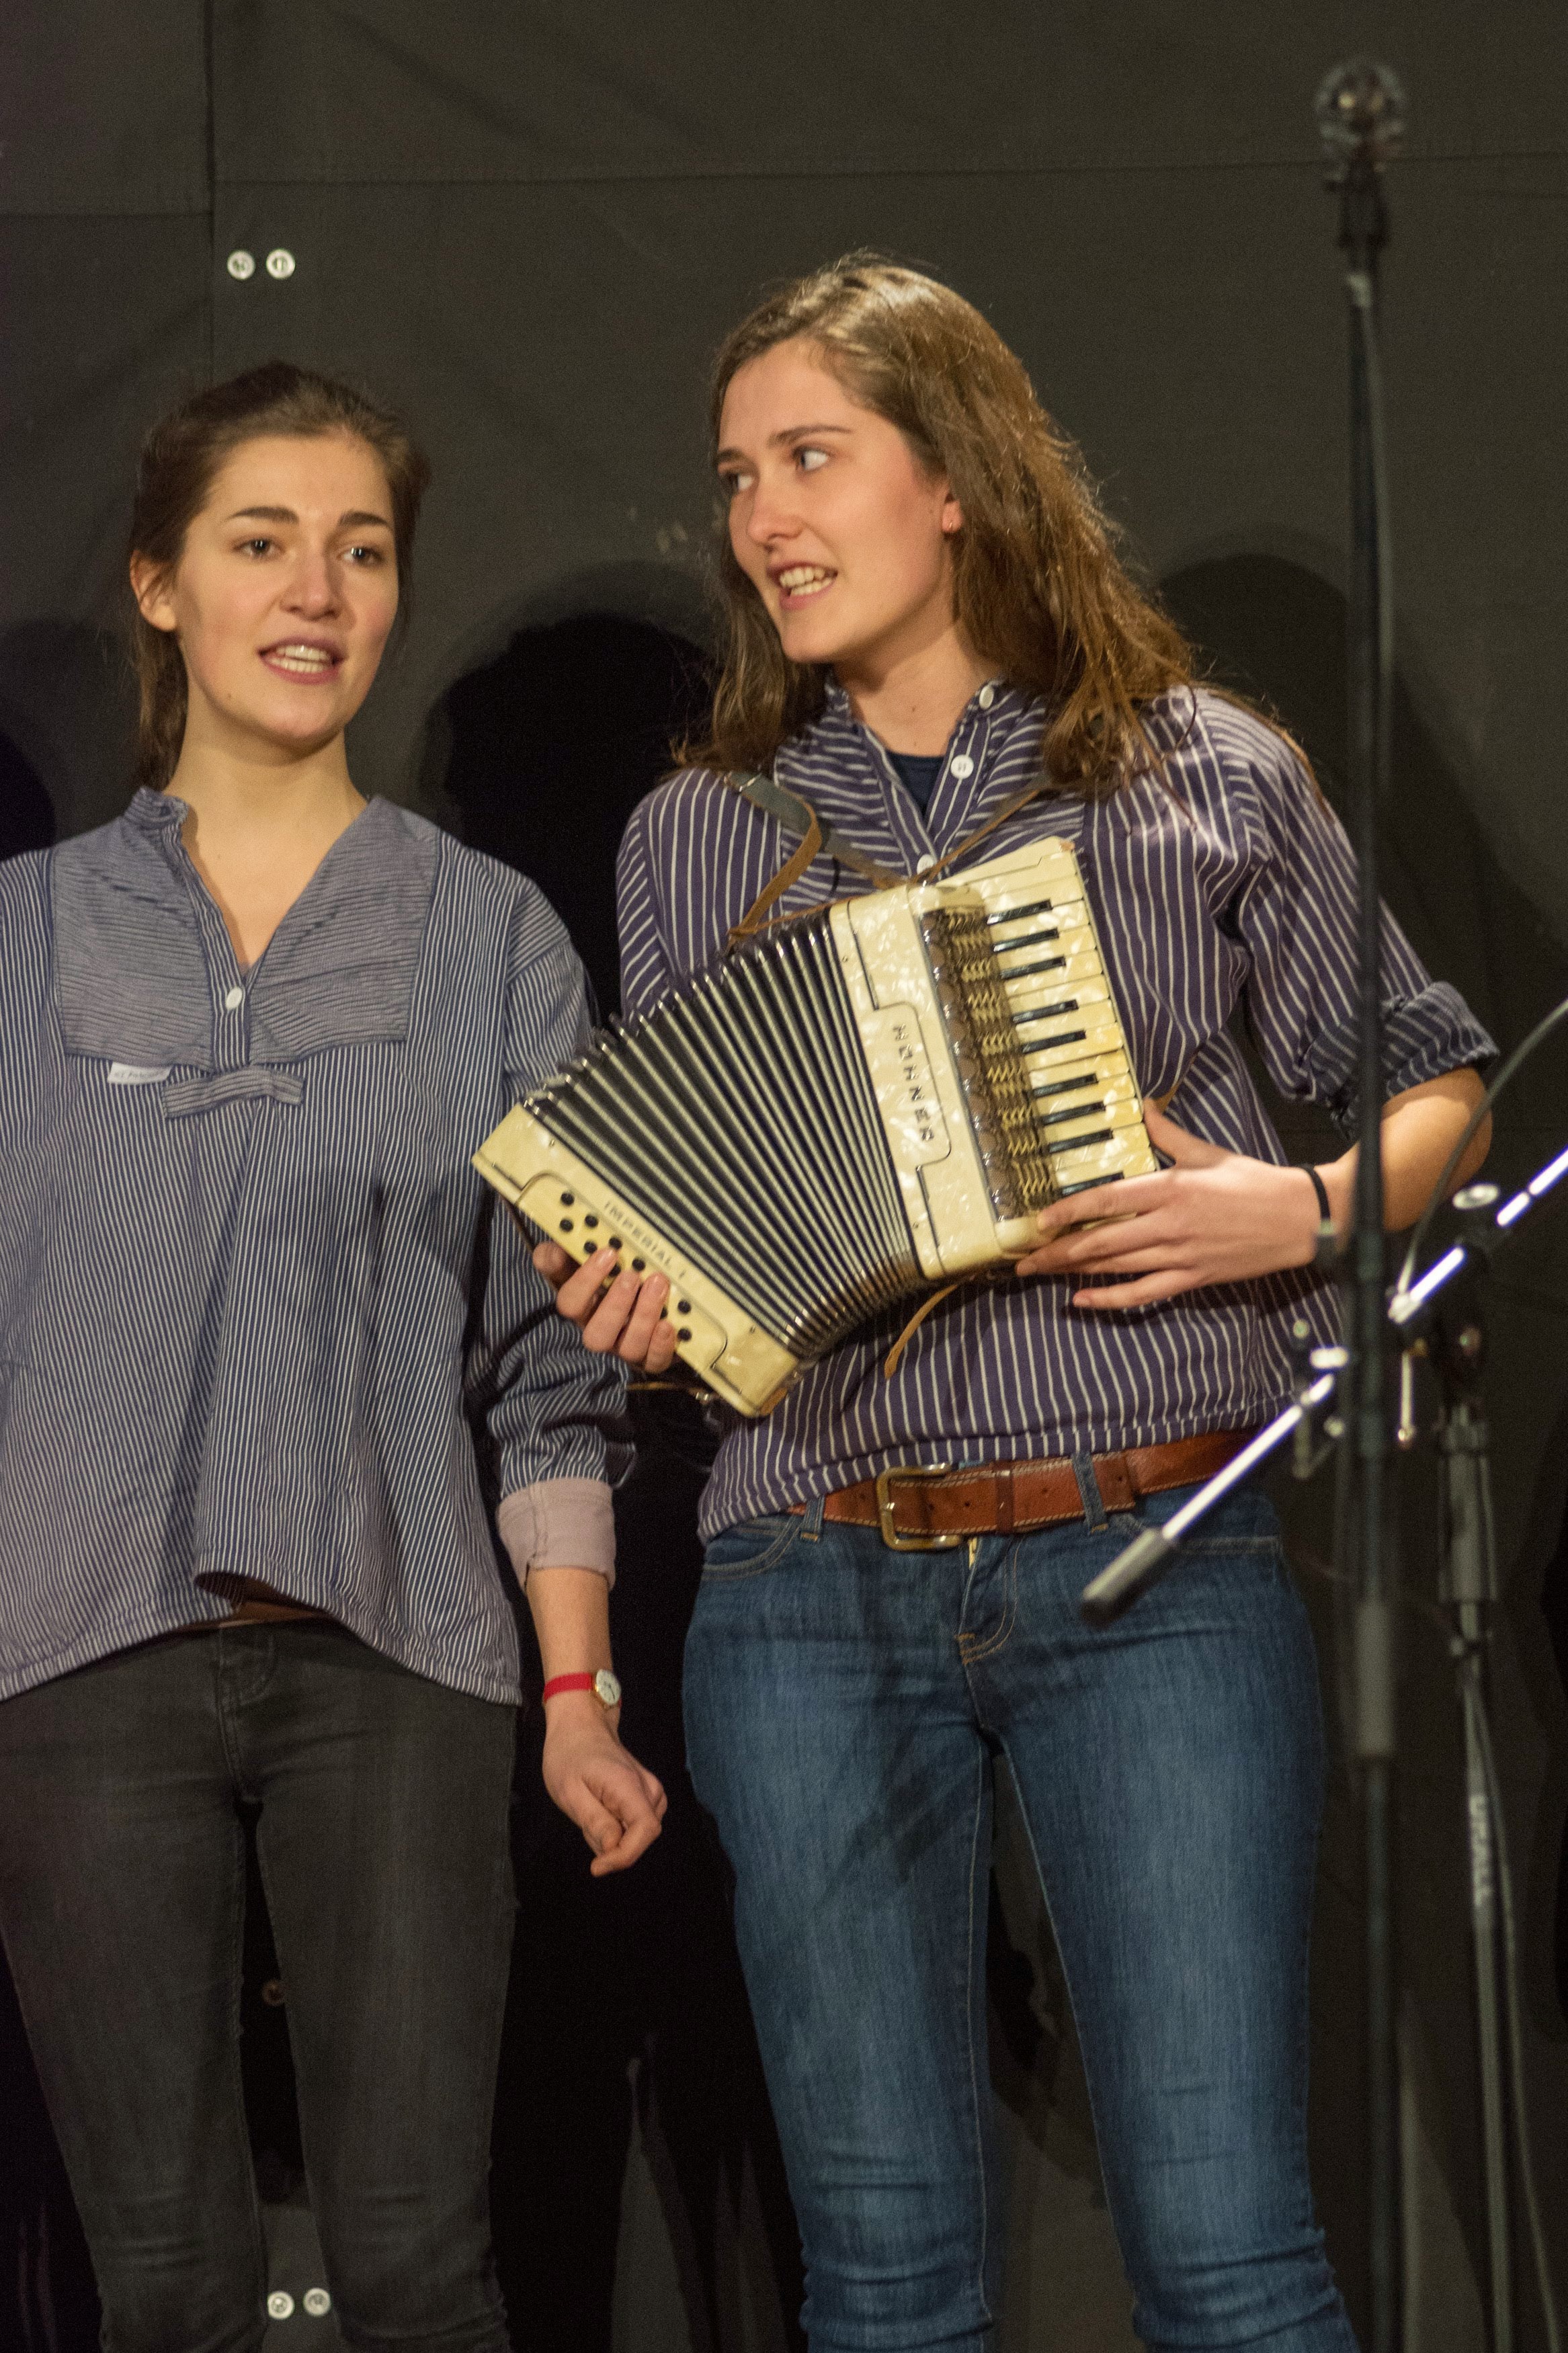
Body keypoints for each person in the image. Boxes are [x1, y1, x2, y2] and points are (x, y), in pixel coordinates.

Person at [539, 260, 1495, 2353]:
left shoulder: (1201, 768)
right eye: (737, 477)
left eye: (811, 458)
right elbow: (706, 1231)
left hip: (1149, 1541)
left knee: (1231, 2254)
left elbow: (1439, 1075)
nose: (762, 519)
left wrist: (1293, 1208)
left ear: (955, 475)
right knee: (884, 2287)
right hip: (806, 1578)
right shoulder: (700, 831)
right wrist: (643, 1294)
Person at [0, 363, 665, 2353]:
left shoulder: (490, 938)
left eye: (362, 551)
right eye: (263, 542)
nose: (317, 591)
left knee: (418, 2273)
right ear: (159, 582)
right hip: (73, 1668)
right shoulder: (27, 935)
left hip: (402, 1662)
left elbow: (552, 1367)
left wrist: (577, 1697)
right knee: (166, 2288)